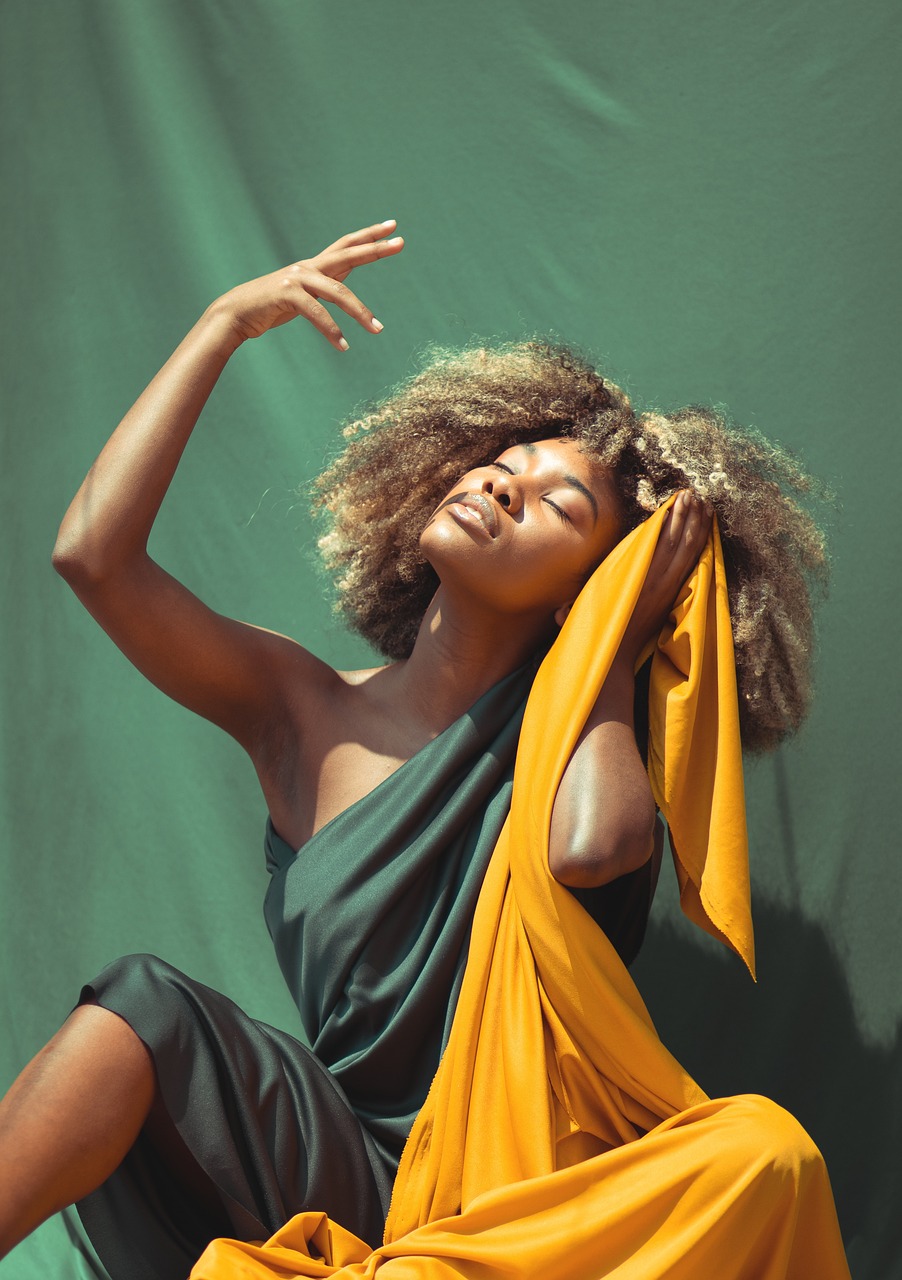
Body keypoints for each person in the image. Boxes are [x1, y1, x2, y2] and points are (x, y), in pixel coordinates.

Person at [0, 220, 836, 1278]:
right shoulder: (299, 708)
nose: (501, 485)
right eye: (502, 462)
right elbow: (93, 557)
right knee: (138, 1005)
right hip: (352, 1175)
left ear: (586, 590)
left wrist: (615, 650)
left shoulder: (578, 747)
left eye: (557, 503)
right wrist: (223, 324)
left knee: (764, 1149)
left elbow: (590, 849)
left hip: (524, 1194)